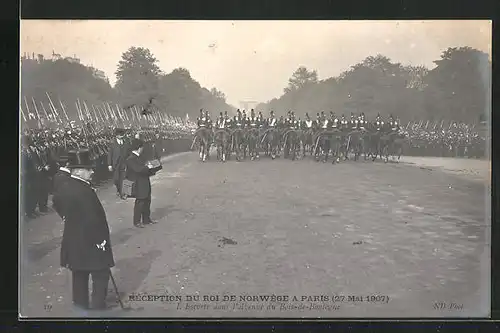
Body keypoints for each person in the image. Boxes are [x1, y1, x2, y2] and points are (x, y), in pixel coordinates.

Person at [54, 149, 115, 311]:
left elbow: (56, 202)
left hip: (73, 239)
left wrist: (67, 217)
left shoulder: (66, 185)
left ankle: (80, 306)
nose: (92, 171)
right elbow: (92, 219)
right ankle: (98, 308)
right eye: (89, 169)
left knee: (79, 274)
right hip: (90, 241)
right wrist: (100, 241)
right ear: (80, 171)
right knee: (101, 274)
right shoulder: (84, 189)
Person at [125, 138, 161, 228]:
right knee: (140, 202)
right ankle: (136, 221)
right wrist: (148, 167)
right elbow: (138, 169)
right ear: (139, 148)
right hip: (138, 184)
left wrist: (153, 168)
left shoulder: (138, 157)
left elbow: (143, 168)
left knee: (147, 201)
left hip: (144, 182)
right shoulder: (131, 159)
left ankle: (146, 219)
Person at [107, 128, 129, 199]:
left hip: (123, 163)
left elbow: (128, 153)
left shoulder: (125, 142)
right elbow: (110, 154)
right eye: (120, 135)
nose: (121, 136)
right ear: (116, 135)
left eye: (122, 135)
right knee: (116, 179)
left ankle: (122, 193)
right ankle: (118, 189)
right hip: (115, 164)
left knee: (123, 178)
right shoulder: (112, 144)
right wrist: (109, 164)